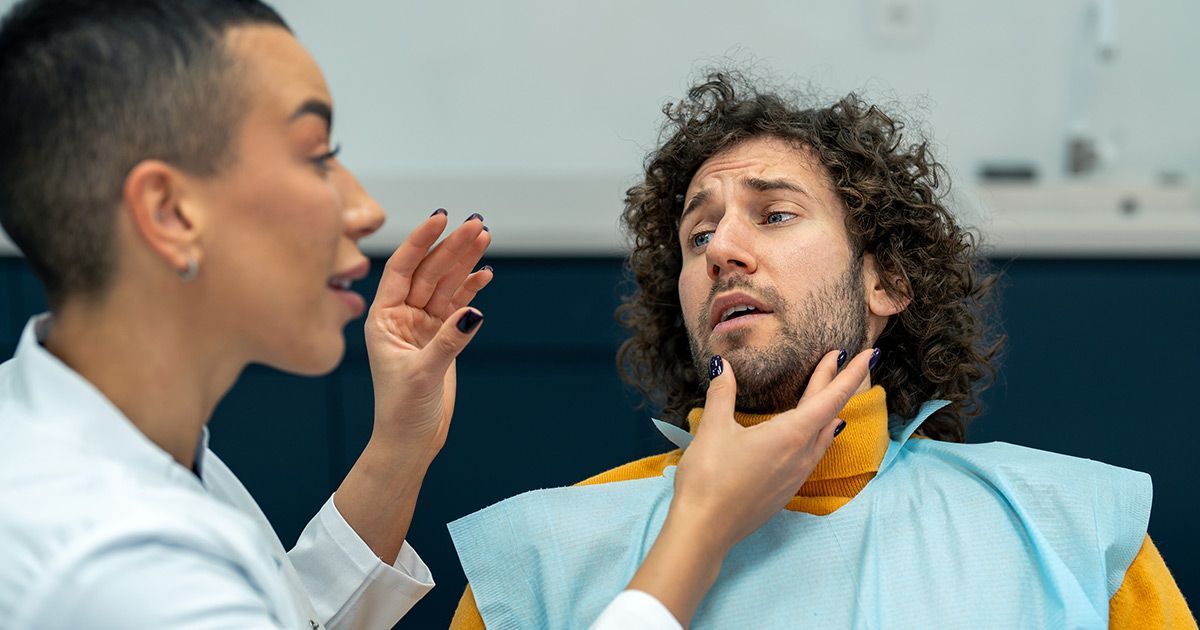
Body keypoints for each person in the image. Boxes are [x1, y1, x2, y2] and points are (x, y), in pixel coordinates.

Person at [0, 2, 871, 627]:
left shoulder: (131, 459)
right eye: (316, 155)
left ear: (889, 277)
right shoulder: (105, 557)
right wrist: (700, 533)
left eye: (778, 214)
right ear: (169, 212)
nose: (364, 207)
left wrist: (401, 444)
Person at [449, 73, 1196, 628]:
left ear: (888, 282)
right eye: (697, 235)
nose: (723, 252)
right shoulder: (537, 561)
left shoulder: (1073, 531)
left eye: (774, 214)